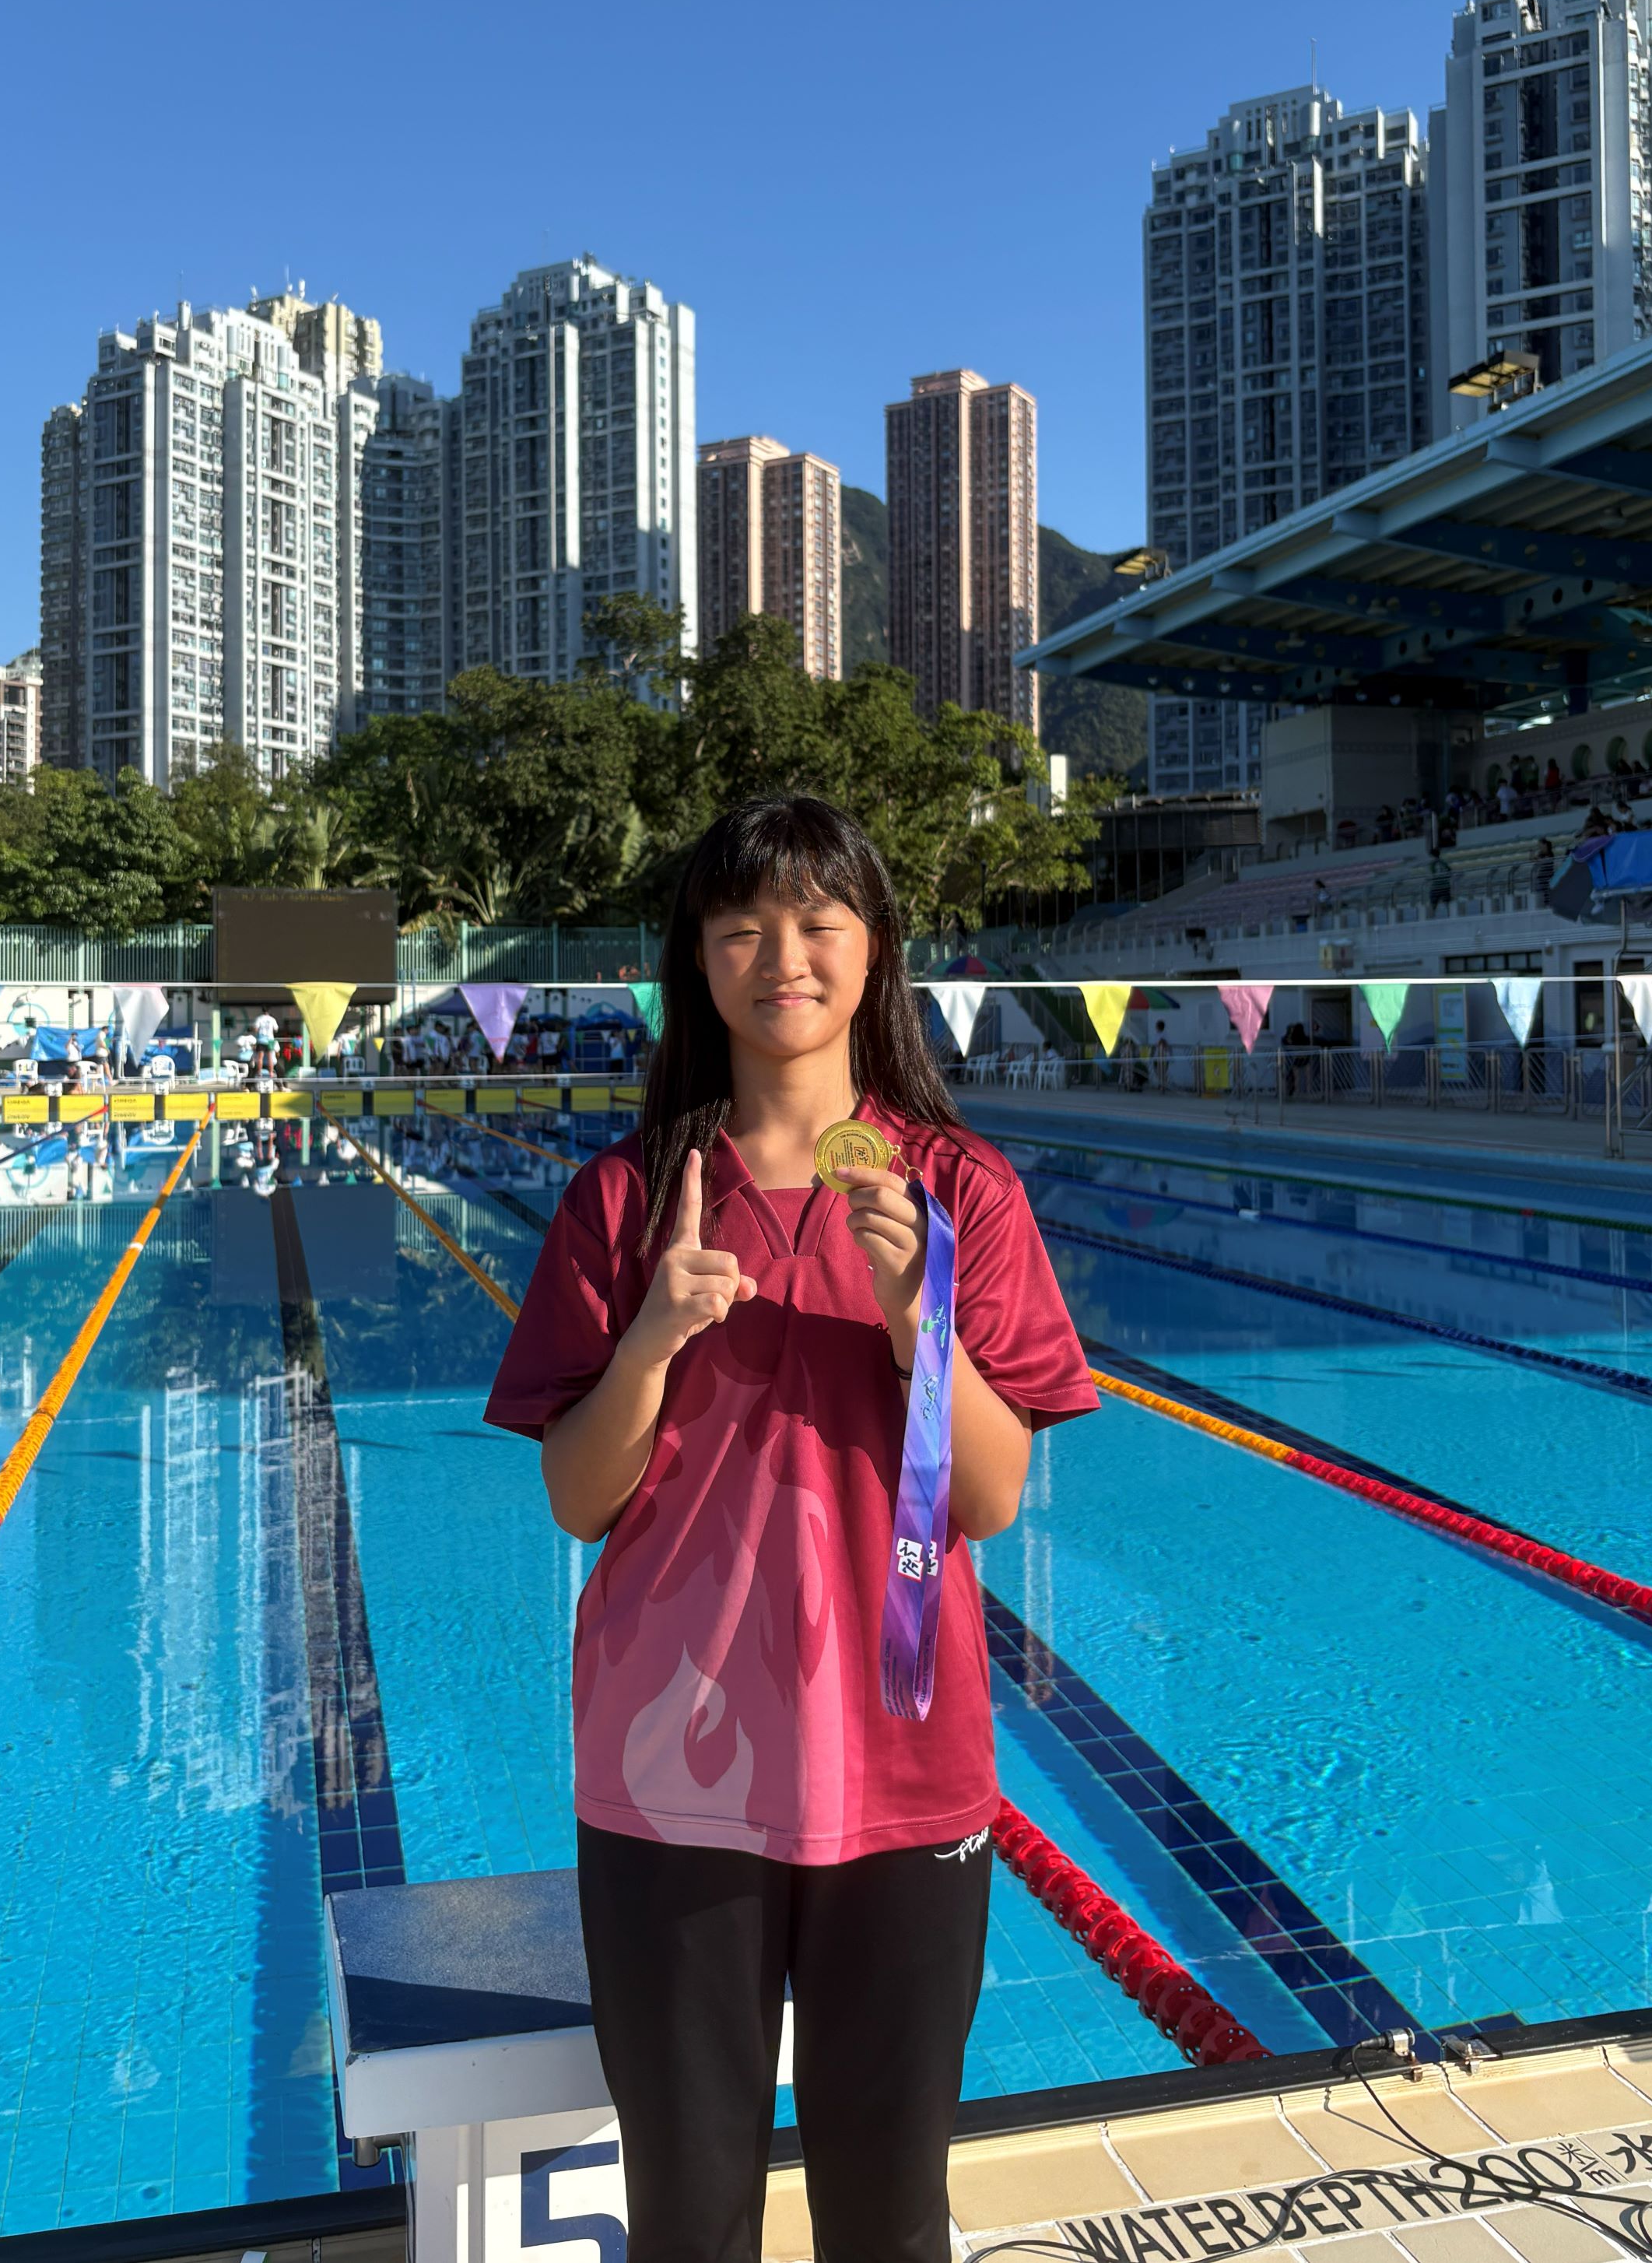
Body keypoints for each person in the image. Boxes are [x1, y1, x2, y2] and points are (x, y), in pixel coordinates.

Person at [483, 796, 1093, 2263]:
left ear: (872, 949)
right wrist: (650, 1340)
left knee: (889, 2223)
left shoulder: (961, 1194)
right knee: (690, 2225)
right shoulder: (626, 1199)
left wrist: (919, 1321)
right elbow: (579, 1498)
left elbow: (990, 1500)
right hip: (670, 1771)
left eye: (818, 921)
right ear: (696, 959)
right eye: (741, 928)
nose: (783, 958)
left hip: (902, 1762)